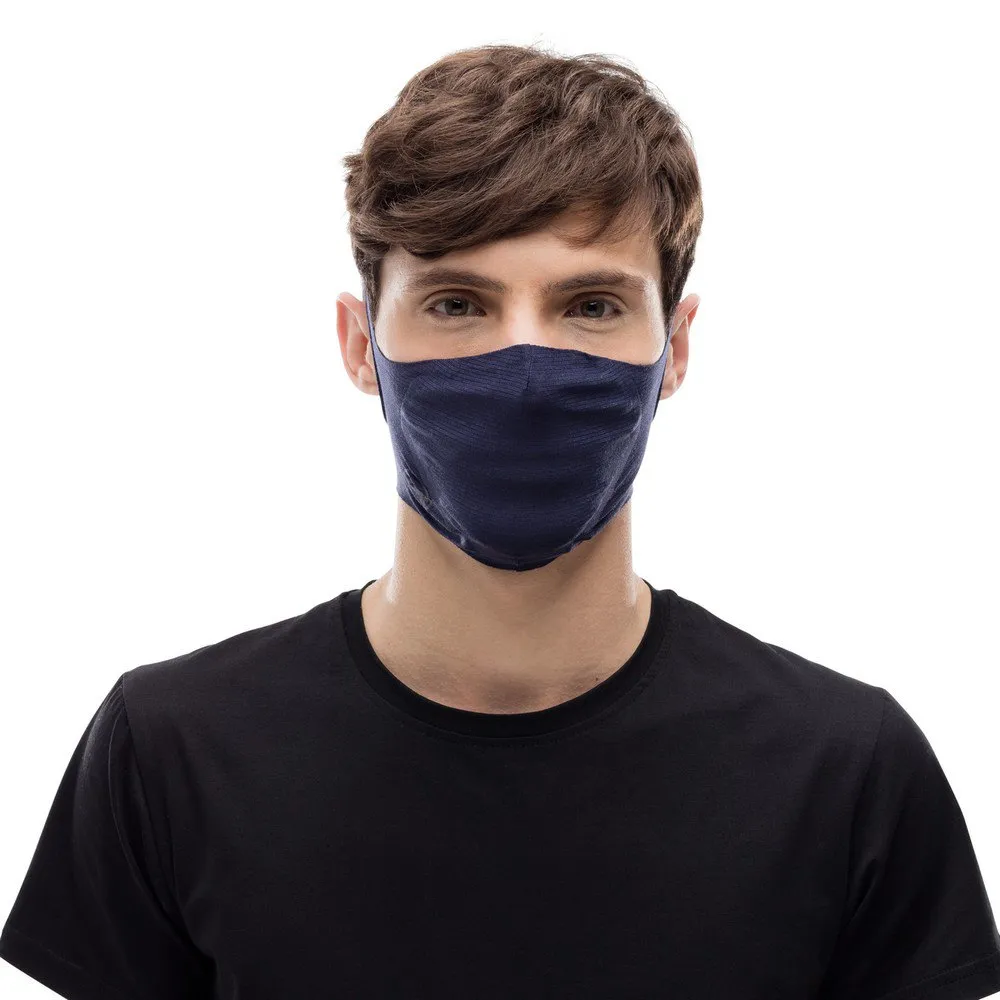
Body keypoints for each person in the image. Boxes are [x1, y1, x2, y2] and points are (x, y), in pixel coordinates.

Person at [2, 41, 999, 1000]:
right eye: (456, 304)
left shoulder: (847, 771)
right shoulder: (171, 751)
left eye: (592, 306)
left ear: (677, 347)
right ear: (358, 344)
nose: (525, 368)